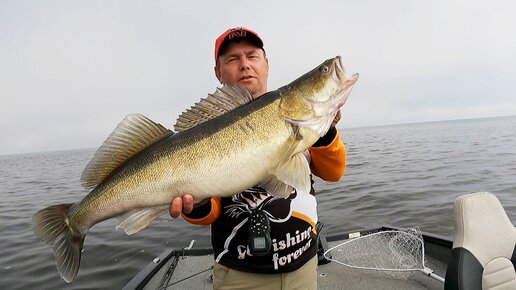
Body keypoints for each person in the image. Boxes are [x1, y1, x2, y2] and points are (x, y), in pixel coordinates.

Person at [169, 27, 346, 290]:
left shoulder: (297, 117)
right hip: (240, 274)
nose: (245, 65)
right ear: (218, 72)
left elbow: (333, 172)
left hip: (303, 264)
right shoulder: (207, 128)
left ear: (266, 64)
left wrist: (325, 128)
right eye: (232, 59)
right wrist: (196, 205)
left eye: (252, 56)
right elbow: (211, 211)